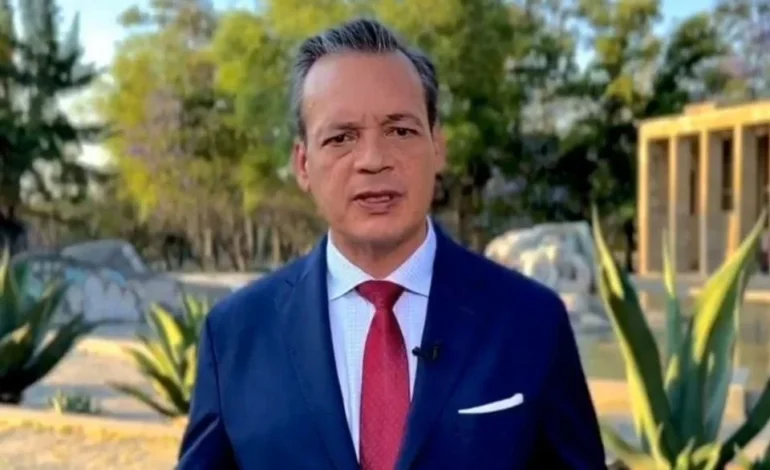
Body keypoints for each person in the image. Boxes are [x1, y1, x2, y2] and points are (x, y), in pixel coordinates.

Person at [177, 18, 606, 470]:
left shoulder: (531, 322)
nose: (373, 160)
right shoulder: (235, 335)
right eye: (341, 138)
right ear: (303, 165)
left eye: (400, 131)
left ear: (438, 147)